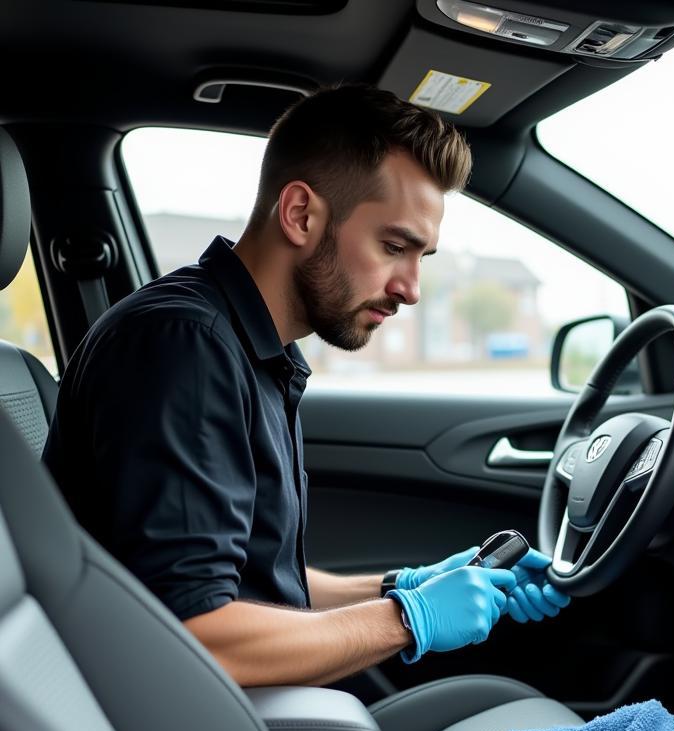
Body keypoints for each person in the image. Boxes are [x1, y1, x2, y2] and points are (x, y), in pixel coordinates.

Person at [43, 82, 569, 688]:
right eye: (394, 246)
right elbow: (194, 632)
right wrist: (409, 619)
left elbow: (255, 582)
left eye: (420, 256)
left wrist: (403, 585)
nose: (411, 288)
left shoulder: (251, 349)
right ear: (299, 215)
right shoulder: (182, 346)